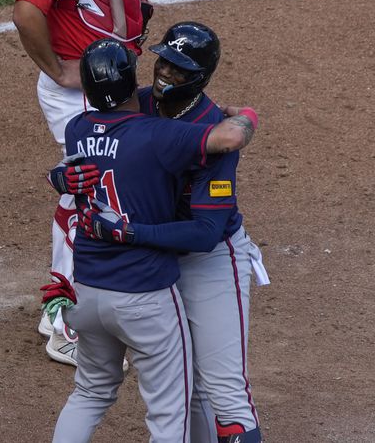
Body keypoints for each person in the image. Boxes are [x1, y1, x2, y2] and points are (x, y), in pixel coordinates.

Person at [50, 38, 259, 443]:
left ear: (199, 77)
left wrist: (131, 232)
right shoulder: (142, 110)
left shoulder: (197, 123)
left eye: (179, 69)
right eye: (163, 62)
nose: (165, 73)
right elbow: (90, 156)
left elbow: (206, 234)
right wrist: (59, 174)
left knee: (223, 389)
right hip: (147, 270)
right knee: (181, 396)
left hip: (202, 258)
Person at [12, 0, 153, 366]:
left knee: (83, 188)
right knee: (96, 189)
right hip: (85, 88)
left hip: (104, 79)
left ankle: (57, 308)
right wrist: (58, 70)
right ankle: (70, 331)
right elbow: (27, 10)